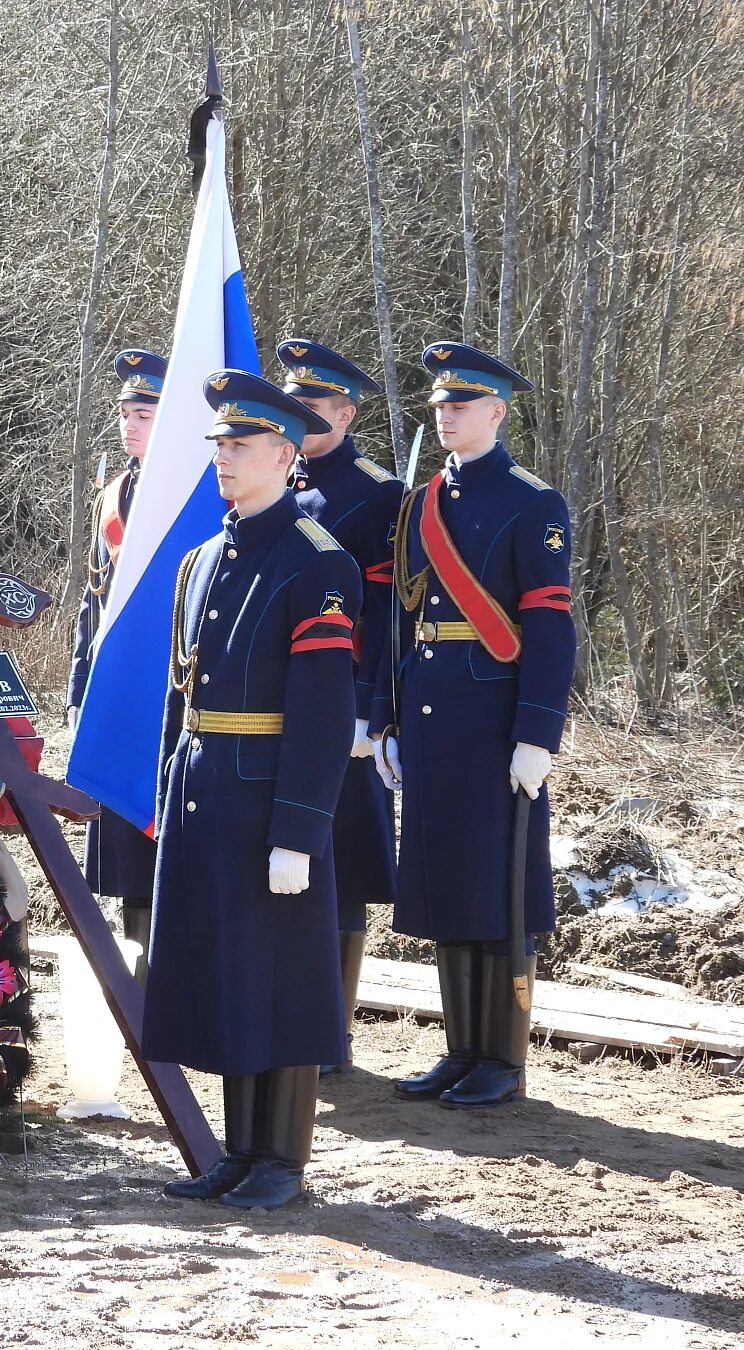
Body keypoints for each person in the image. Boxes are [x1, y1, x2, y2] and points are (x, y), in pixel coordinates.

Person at [146, 370, 359, 1211]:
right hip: (205, 791)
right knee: (229, 975)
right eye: (220, 446)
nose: (224, 460)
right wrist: (169, 793)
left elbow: (321, 709)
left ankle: (282, 1160)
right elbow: (181, 691)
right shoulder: (203, 558)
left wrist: (300, 832)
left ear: (285, 453)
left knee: (283, 977)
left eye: (241, 446)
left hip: (270, 798)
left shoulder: (319, 562)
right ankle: (238, 1153)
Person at [373, 343, 573, 1110]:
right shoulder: (421, 505)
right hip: (429, 711)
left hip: (495, 717)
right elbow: (400, 618)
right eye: (440, 405)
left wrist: (537, 733)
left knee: (501, 887)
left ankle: (503, 1058)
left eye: (463, 404)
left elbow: (550, 627)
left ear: (496, 411)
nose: (448, 414)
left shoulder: (533, 502)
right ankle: (460, 1050)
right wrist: (386, 718)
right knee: (445, 881)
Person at [278, 339, 401, 1072]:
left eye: (314, 406)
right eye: (291, 404)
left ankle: (333, 1029)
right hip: (274, 705)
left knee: (342, 863)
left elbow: (386, 609)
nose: (300, 418)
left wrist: (369, 710)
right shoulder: (273, 478)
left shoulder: (376, 491)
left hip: (342, 705)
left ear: (347, 412)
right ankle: (289, 1011)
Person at [68, 348, 167, 979]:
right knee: (127, 839)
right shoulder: (115, 493)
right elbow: (94, 598)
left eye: (144, 412)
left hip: (169, 688)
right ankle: (140, 972)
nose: (129, 424)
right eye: (126, 411)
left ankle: (172, 964)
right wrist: (80, 685)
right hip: (120, 691)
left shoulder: (193, 495)